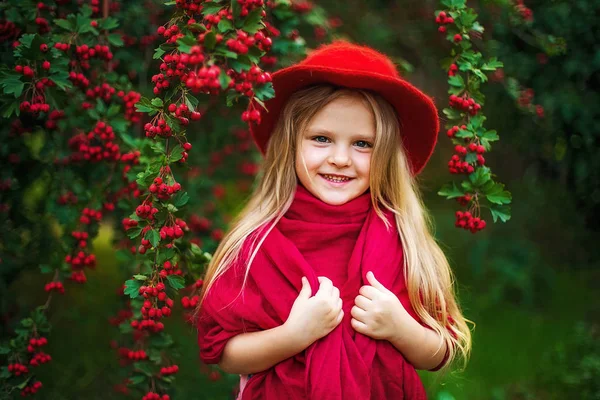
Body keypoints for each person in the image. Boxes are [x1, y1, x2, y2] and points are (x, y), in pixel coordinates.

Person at [196, 40, 472, 399]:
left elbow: (441, 352)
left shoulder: (403, 240)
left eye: (363, 144)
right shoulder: (256, 244)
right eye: (322, 138)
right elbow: (225, 353)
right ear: (291, 145)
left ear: (388, 156)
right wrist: (293, 335)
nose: (340, 158)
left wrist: (399, 327)